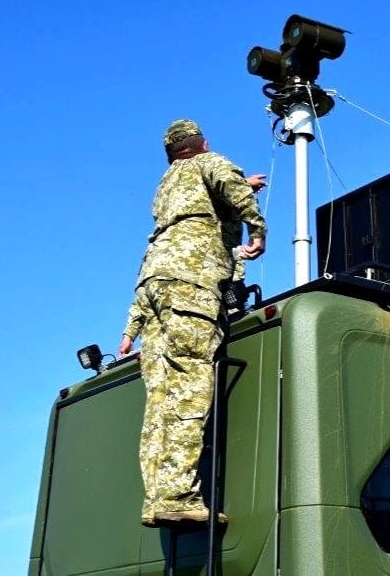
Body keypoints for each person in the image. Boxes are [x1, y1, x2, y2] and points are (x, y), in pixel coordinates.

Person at [118, 119, 267, 527]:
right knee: (190, 386)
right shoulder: (209, 162)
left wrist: (130, 329)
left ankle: (157, 498)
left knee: (160, 401)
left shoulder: (167, 185)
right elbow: (227, 183)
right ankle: (180, 496)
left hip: (154, 286)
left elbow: (194, 218)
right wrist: (257, 229)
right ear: (200, 142)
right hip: (192, 284)